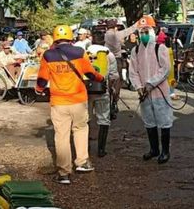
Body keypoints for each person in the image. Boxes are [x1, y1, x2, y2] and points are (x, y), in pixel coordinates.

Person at [36, 25, 104, 184]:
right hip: (78, 100)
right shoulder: (80, 52)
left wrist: (39, 89)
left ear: (55, 38)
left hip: (59, 102)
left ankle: (64, 173)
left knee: (61, 136)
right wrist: (100, 78)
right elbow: (90, 73)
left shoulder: (48, 55)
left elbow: (42, 80)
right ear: (70, 38)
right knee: (80, 129)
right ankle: (81, 163)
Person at [129, 17, 173, 164]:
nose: (144, 34)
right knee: (149, 121)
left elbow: (165, 69)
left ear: (153, 31)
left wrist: (151, 83)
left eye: (146, 31)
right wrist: (139, 87)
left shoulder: (160, 48)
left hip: (160, 92)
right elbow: (133, 72)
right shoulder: (135, 51)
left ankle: (165, 151)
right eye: (141, 32)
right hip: (145, 94)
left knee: (164, 121)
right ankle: (154, 149)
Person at [87, 31, 119, 157]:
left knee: (86, 119)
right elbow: (113, 76)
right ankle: (101, 150)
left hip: (87, 91)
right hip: (102, 90)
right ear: (104, 41)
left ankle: (85, 147)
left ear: (92, 40)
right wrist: (111, 89)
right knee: (104, 119)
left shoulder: (85, 53)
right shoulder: (109, 55)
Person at [105, 18, 140, 102]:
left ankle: (107, 96)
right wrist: (138, 22)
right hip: (117, 60)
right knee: (117, 80)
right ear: (115, 27)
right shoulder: (118, 35)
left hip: (106, 59)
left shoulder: (104, 35)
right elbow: (130, 30)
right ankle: (115, 99)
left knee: (106, 79)